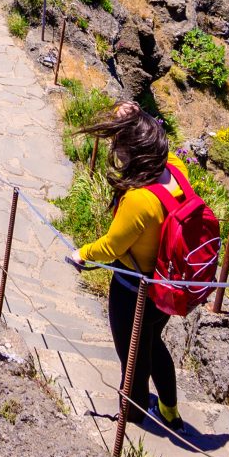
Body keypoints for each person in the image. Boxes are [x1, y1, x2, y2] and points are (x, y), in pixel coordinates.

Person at [68, 102, 190, 428]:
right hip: (167, 286)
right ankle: (170, 411)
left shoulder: (139, 200)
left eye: (120, 148)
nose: (117, 154)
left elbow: (112, 246)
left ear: (132, 154)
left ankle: (132, 416)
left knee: (132, 357)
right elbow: (165, 141)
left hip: (133, 291)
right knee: (154, 343)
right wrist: (135, 118)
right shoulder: (177, 170)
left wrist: (82, 254)